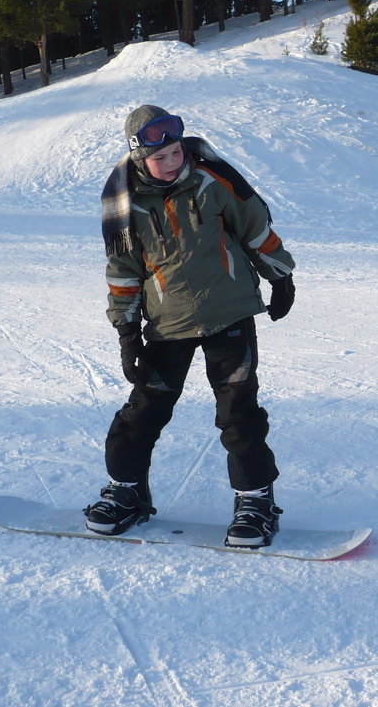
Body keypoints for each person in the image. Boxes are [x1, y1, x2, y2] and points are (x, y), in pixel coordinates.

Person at [84, 105, 297, 548]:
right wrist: (127, 332)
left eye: (177, 151)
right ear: (140, 158)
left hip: (230, 313)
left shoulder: (213, 182)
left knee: (239, 412)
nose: (173, 162)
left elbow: (255, 228)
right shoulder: (127, 206)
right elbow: (123, 271)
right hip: (167, 324)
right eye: (161, 157)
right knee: (144, 409)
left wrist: (281, 275)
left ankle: (255, 501)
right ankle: (127, 492)